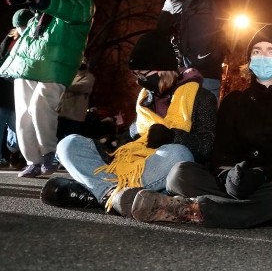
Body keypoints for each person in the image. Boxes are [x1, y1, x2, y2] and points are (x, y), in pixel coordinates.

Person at [131, 24, 272, 232]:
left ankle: (201, 210)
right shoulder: (234, 102)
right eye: (257, 51)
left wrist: (262, 174)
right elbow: (220, 153)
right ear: (249, 60)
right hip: (234, 185)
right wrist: (228, 176)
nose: (263, 56)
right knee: (180, 173)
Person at [40, 30, 217, 216]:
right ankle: (115, 195)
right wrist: (113, 144)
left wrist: (173, 136)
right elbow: (132, 136)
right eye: (136, 74)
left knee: (178, 153)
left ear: (163, 70)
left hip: (162, 167)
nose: (139, 80)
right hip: (131, 164)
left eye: (142, 74)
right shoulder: (144, 99)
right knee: (69, 143)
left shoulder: (201, 97)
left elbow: (206, 147)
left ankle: (99, 192)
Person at [0, 0, 95, 178]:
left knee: (41, 106)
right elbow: (30, 31)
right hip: (28, 63)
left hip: (55, 65)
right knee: (23, 114)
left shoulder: (82, 2)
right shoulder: (44, 3)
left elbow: (66, 9)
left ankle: (49, 152)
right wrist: (23, 14)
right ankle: (33, 160)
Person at [157, 0, 229, 101]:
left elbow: (161, 31)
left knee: (177, 118)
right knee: (206, 117)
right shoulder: (219, 3)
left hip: (182, 72)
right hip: (211, 73)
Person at [0, 9, 33, 170]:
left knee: (18, 127)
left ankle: (14, 152)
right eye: (19, 26)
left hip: (20, 90)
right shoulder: (10, 39)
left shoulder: (36, 39)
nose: (21, 28)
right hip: (0, 88)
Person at [57, 60, 95, 139]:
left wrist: (64, 85)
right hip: (62, 113)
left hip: (74, 117)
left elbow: (81, 87)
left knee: (70, 138)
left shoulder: (89, 77)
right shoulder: (70, 75)